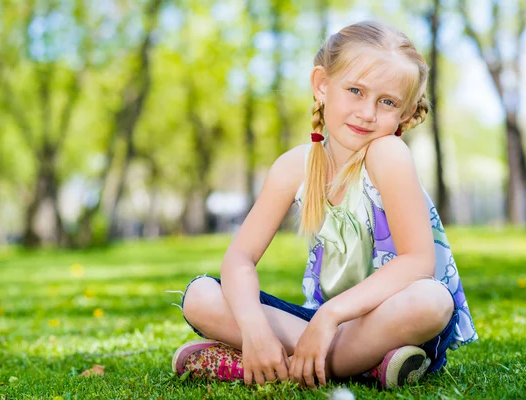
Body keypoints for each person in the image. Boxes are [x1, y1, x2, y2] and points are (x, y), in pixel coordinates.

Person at [170, 20, 477, 390]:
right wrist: (254, 330)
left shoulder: (388, 154)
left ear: (405, 113)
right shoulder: (293, 167)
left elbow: (418, 263)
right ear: (321, 86)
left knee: (431, 300)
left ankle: (257, 366)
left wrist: (330, 316)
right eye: (355, 91)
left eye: (387, 102)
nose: (367, 112)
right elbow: (239, 259)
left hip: (390, 321)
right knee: (201, 296)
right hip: (318, 325)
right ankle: (361, 367)